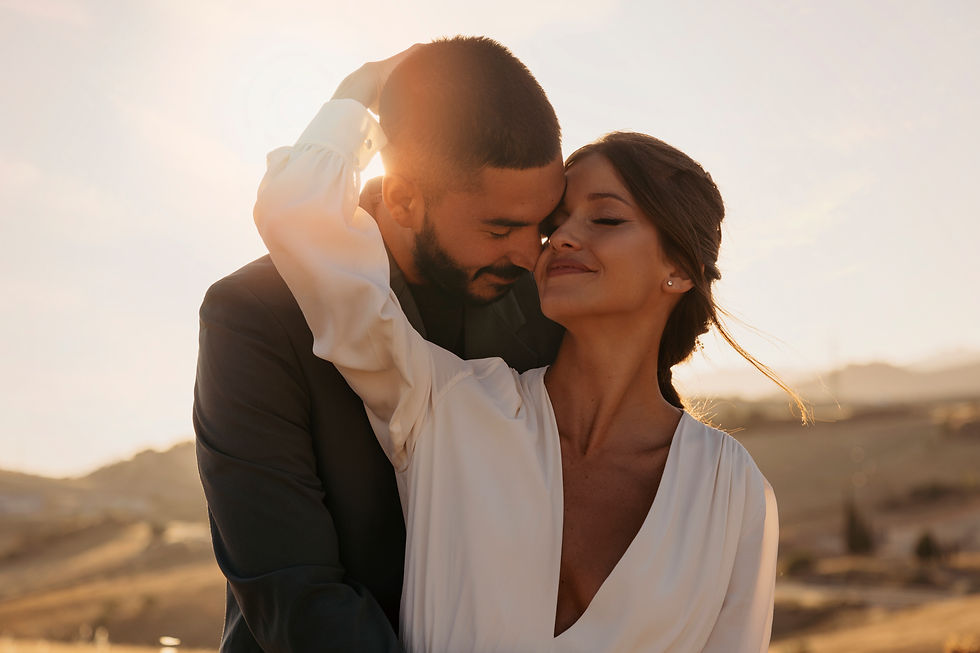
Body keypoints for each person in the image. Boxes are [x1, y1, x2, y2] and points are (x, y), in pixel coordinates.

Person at [254, 50, 806, 653]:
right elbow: (297, 215)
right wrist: (363, 92)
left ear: (677, 269)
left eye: (605, 219)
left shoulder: (733, 492)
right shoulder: (446, 403)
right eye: (555, 222)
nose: (561, 237)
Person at [194, 37, 565, 651]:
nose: (529, 256)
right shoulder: (254, 315)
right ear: (402, 197)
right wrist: (358, 93)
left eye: (543, 225)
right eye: (500, 228)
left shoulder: (551, 312)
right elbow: (295, 592)